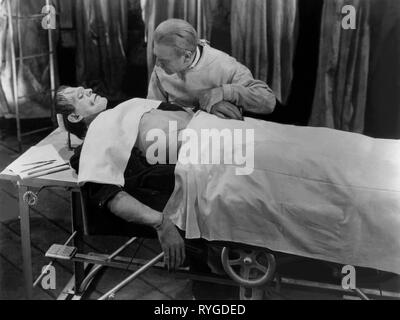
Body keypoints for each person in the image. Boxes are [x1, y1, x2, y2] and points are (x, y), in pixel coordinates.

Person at [56, 85, 192, 271]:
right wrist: (162, 223)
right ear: (75, 116)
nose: (89, 90)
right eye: (81, 96)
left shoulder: (126, 109)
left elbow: (181, 113)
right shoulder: (90, 147)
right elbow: (109, 194)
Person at [148, 19, 277, 120]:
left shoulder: (226, 66)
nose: (158, 65)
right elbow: (152, 108)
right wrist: (207, 107)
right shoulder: (163, 62)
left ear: (187, 56)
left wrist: (225, 92)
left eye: (164, 60)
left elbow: (268, 101)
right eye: (157, 57)